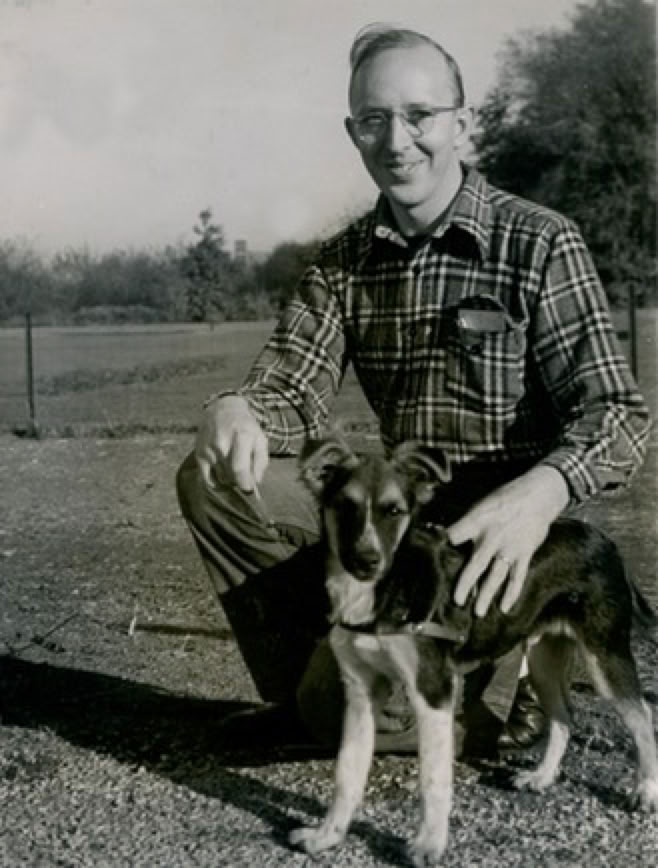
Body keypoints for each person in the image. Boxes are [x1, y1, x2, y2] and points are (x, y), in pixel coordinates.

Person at [177, 24, 650, 754]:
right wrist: (237, 407)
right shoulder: (342, 263)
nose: (397, 141)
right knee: (211, 478)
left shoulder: (539, 243)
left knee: (348, 714)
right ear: (353, 132)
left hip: (490, 569)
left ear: (461, 122)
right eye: (374, 120)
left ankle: (474, 689)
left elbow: (616, 415)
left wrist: (541, 493)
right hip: (398, 536)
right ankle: (310, 693)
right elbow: (291, 389)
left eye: (419, 115)